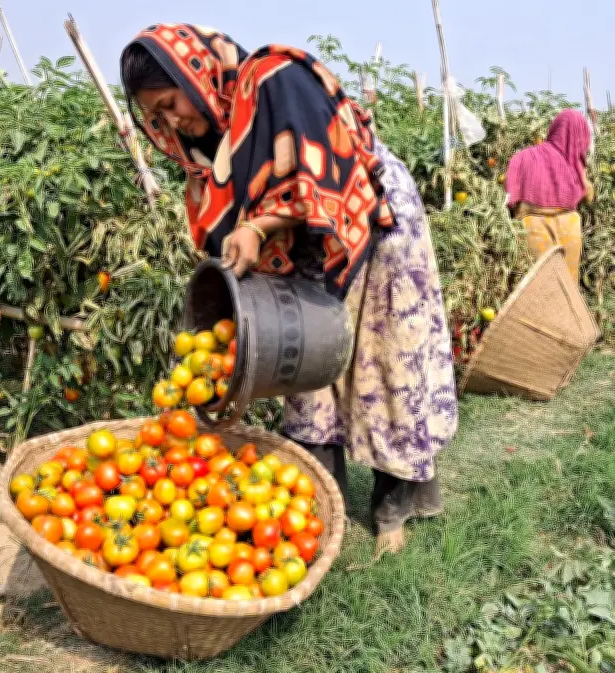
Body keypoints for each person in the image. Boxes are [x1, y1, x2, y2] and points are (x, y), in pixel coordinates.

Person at [121, 24, 458, 554]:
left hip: (370, 220)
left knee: (385, 356)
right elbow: (222, 222)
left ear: (196, 72)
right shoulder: (208, 153)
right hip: (301, 245)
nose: (172, 121)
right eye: (156, 118)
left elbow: (324, 161)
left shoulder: (275, 78)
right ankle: (324, 505)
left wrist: (258, 226)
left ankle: (397, 501)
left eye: (170, 103)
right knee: (306, 364)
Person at [505, 109, 594, 283]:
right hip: (569, 226)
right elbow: (589, 196)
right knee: (565, 288)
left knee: (536, 287)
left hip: (532, 224)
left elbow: (509, 195)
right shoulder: (573, 163)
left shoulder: (524, 156)